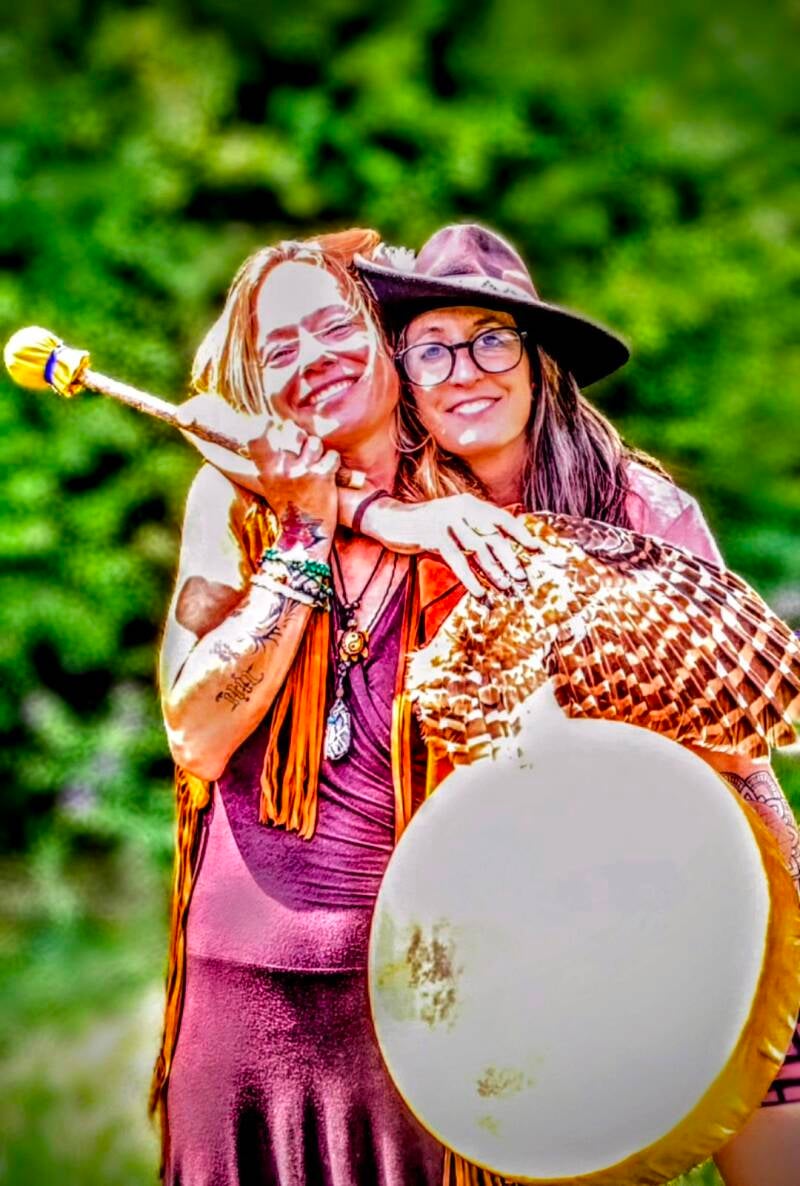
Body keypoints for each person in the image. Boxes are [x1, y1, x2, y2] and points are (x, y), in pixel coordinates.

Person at [347, 222, 800, 1186]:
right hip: (511, 910)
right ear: (406, 380)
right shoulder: (397, 523)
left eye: (491, 340)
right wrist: (378, 510)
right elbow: (263, 451)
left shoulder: (638, 510)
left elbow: (734, 735)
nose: (464, 371)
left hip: (690, 868)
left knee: (773, 1123)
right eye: (432, 349)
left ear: (538, 361)